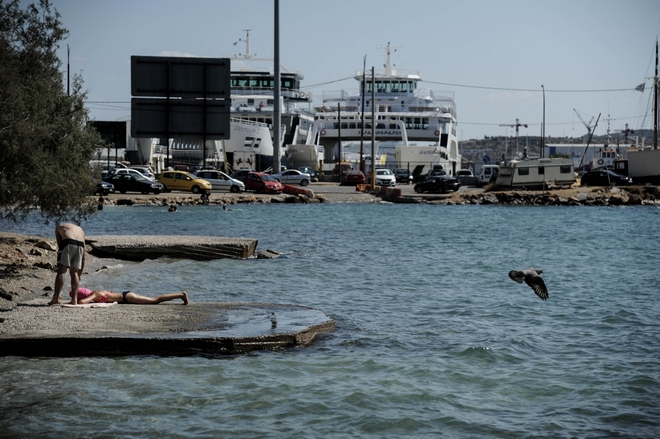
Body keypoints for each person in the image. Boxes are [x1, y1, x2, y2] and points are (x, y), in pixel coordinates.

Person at [49, 223, 86, 305]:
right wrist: (80, 274)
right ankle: (74, 300)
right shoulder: (80, 230)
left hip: (67, 242)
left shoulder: (59, 227)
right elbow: (83, 256)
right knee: (74, 272)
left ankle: (56, 298)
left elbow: (60, 245)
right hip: (80, 245)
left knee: (62, 270)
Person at [70, 287, 189, 305]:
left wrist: (73, 302)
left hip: (127, 297)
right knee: (155, 300)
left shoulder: (95, 294)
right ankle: (180, 295)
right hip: (126, 296)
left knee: (155, 300)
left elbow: (82, 303)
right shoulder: (96, 292)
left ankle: (181, 294)